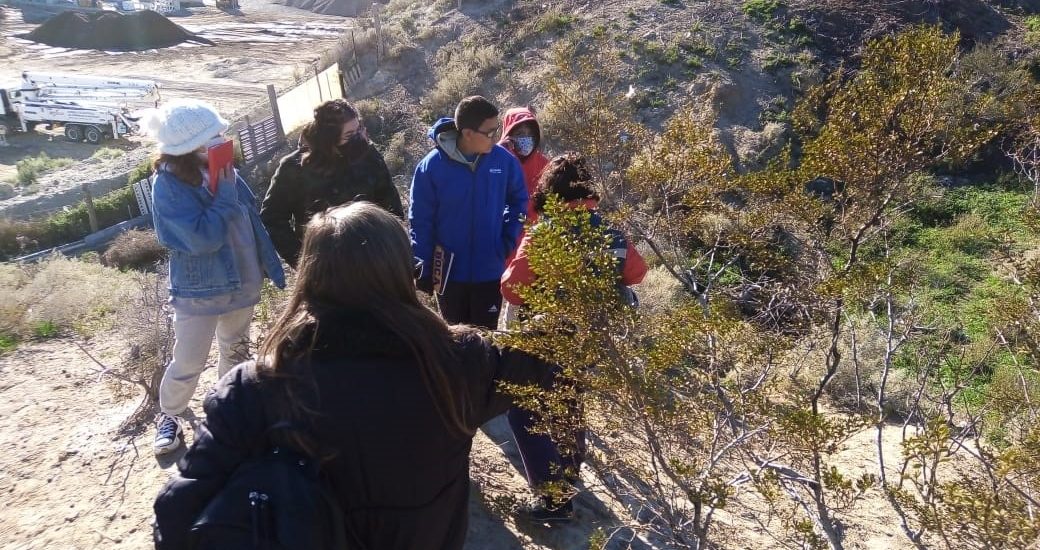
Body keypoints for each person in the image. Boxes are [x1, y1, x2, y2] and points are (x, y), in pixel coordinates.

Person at [153, 202, 556, 550]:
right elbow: (547, 359)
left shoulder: (256, 388)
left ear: (309, 279)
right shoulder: (460, 362)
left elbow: (177, 515)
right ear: (401, 275)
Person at [500, 152, 648, 521]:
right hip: (590, 339)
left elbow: (512, 289)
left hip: (544, 336)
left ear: (550, 190)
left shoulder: (546, 233)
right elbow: (638, 272)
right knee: (570, 400)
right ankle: (569, 472)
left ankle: (554, 500)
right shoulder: (610, 231)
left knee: (524, 408)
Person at [144, 99, 286, 456]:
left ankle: (227, 409)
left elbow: (251, 219)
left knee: (235, 351)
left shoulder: (226, 170)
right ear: (189, 147)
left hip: (242, 280)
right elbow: (200, 239)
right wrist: (223, 195)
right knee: (188, 360)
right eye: (215, 136)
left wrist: (269, 264)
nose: (224, 140)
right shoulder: (168, 186)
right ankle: (171, 416)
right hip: (199, 291)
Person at [409, 95, 528, 329]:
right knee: (455, 341)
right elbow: (420, 220)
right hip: (449, 275)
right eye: (490, 132)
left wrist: (506, 241)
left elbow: (519, 202)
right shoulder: (431, 167)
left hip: (489, 270)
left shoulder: (505, 162)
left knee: (486, 340)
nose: (497, 138)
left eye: (498, 130)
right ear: (468, 133)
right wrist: (421, 263)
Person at [261, 98, 404, 268]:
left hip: (374, 259)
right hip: (326, 268)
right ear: (329, 138)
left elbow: (390, 202)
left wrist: (395, 247)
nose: (358, 138)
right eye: (350, 135)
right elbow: (272, 217)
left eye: (359, 130)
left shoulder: (368, 155)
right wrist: (304, 263)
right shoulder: (294, 168)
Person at [499, 106, 549, 222]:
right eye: (520, 133)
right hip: (504, 230)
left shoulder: (544, 163)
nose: (526, 138)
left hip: (536, 233)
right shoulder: (497, 160)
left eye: (530, 133)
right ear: (509, 133)